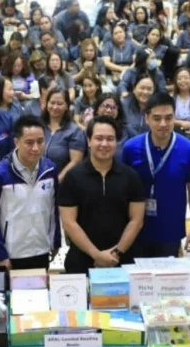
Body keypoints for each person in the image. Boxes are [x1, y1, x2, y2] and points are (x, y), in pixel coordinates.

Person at [57, 116, 147, 274]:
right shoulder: (73, 177)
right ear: (89, 141)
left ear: (117, 142)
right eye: (99, 138)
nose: (104, 144)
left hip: (123, 259)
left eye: (110, 139)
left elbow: (136, 220)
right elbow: (69, 223)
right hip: (82, 259)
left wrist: (117, 252)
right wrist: (96, 255)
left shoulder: (131, 176)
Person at [120, 93, 190, 259]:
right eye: (157, 118)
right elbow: (122, 190)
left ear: (175, 118)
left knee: (166, 281)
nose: (163, 124)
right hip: (135, 229)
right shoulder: (131, 148)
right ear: (147, 118)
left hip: (170, 228)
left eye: (168, 118)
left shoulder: (189, 150)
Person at [0, 117, 60, 271]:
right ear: (16, 142)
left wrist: (55, 241)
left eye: (40, 141)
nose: (36, 148)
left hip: (42, 249)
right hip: (12, 254)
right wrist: (0, 254)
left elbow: (54, 209)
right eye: (29, 143)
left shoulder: (50, 170)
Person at [39, 86, 86, 182]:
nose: (55, 107)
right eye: (52, 103)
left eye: (60, 104)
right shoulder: (38, 125)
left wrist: (56, 181)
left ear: (67, 106)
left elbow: (75, 161)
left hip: (61, 183)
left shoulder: (74, 131)